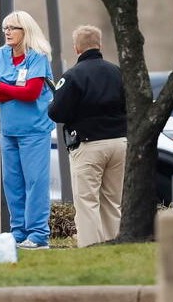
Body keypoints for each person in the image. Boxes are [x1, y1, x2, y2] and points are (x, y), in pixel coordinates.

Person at [47, 24, 127, 248]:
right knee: (113, 201)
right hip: (119, 142)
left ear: (76, 48)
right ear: (99, 45)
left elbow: (56, 112)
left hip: (89, 144)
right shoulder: (117, 72)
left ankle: (91, 247)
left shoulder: (73, 76)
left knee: (87, 201)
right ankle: (115, 245)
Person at [0, 10, 55, 250]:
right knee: (12, 183)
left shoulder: (38, 57)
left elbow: (31, 93)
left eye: (13, 28)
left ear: (26, 31)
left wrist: (2, 86)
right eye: (5, 27)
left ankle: (38, 234)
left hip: (34, 130)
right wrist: (13, 86)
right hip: (9, 130)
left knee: (35, 182)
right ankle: (18, 232)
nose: (7, 32)